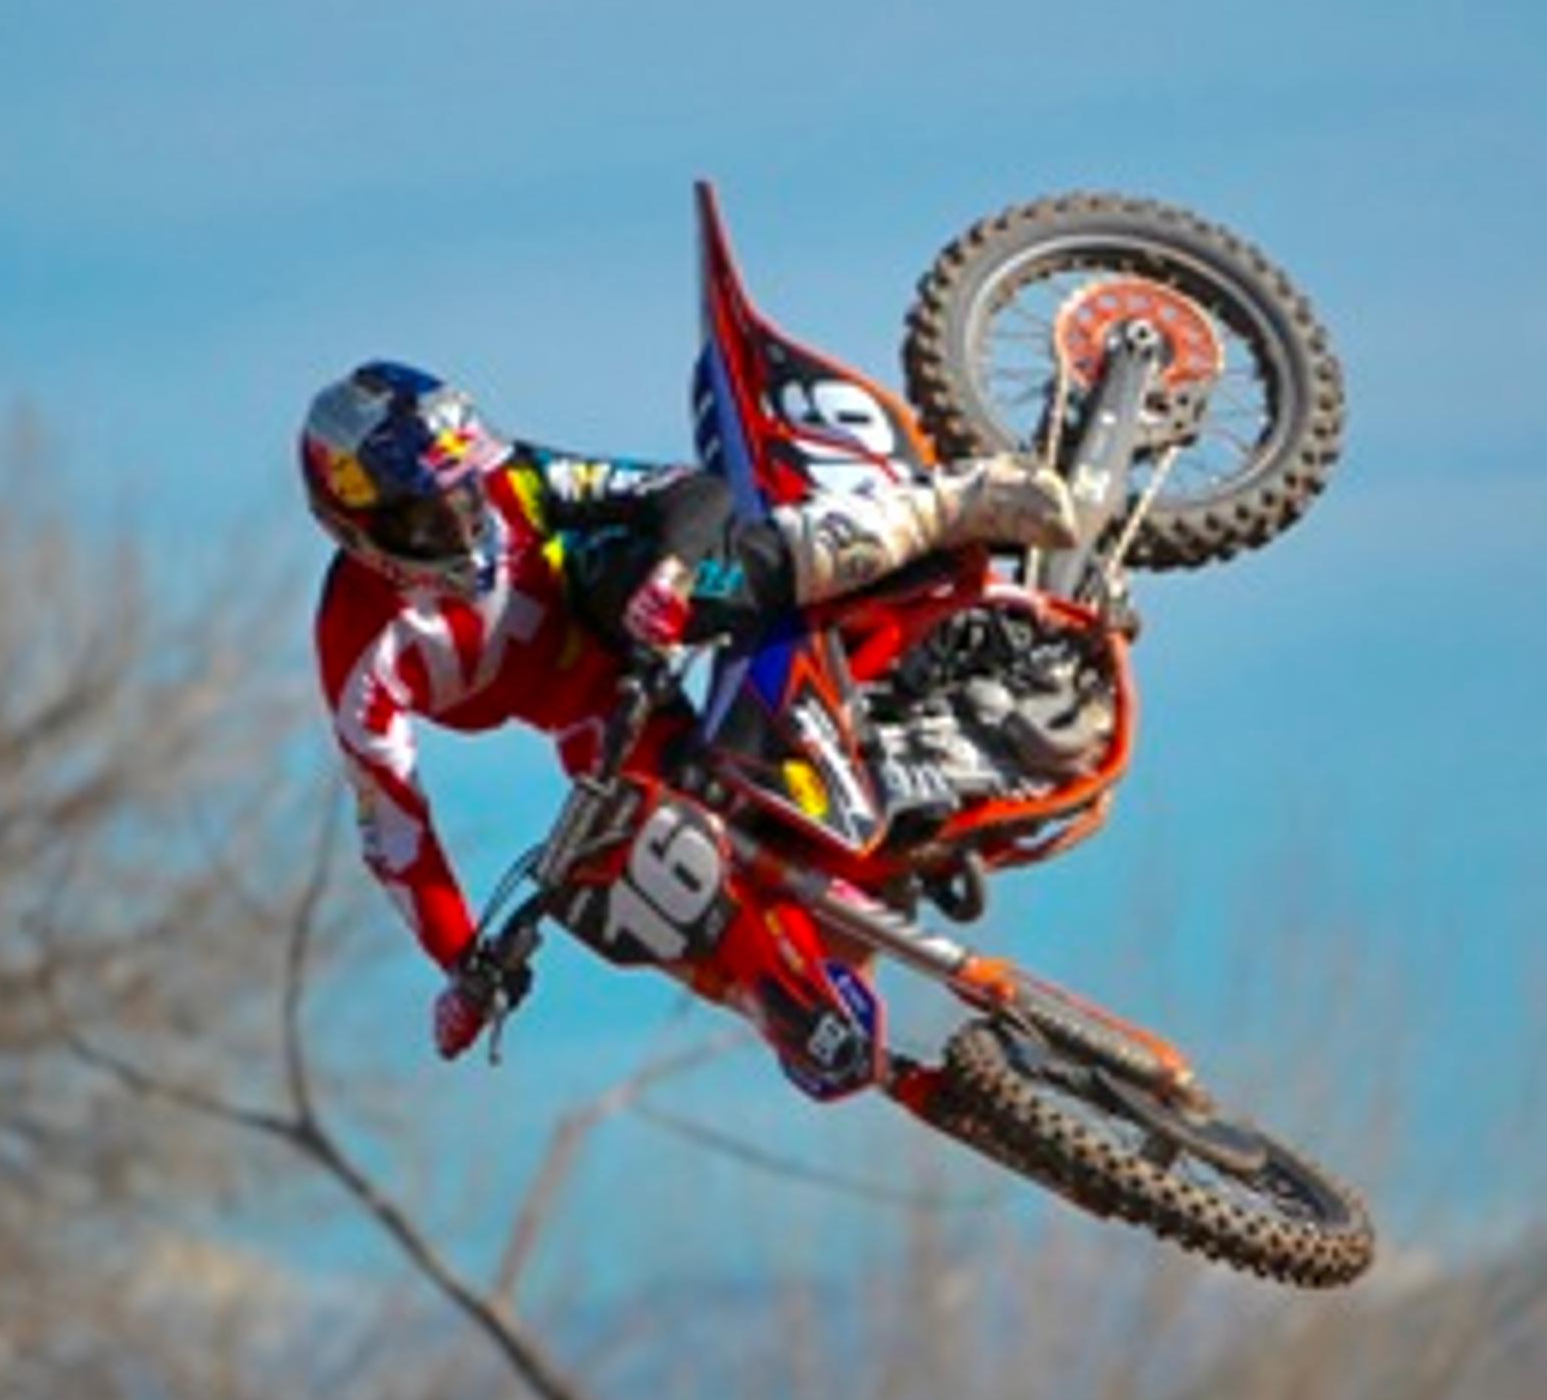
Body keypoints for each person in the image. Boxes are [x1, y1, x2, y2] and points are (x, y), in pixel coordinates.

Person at [301, 359, 1080, 1097]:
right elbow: (395, 833)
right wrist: (464, 962)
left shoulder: (516, 481)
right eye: (426, 519)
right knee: (639, 874)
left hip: (622, 606)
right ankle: (798, 1000)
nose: (462, 521)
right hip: (595, 717)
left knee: (673, 575)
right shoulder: (359, 650)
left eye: (462, 493)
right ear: (359, 534)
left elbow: (684, 491)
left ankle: (962, 500)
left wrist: (671, 576)